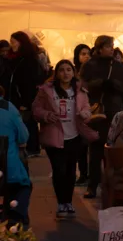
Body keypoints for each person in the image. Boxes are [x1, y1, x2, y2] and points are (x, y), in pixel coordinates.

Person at [33, 59, 98, 220]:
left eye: (69, 70)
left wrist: (85, 113)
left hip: (74, 136)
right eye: (62, 70)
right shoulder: (46, 90)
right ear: (57, 73)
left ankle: (68, 202)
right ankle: (61, 203)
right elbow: (36, 109)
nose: (65, 73)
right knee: (59, 170)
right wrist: (47, 115)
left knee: (70, 171)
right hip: (54, 136)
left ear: (73, 72)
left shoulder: (80, 90)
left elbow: (86, 107)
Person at [80, 35, 123, 199]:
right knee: (95, 150)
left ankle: (112, 185)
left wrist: (114, 85)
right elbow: (83, 86)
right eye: (109, 46)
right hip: (96, 111)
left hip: (114, 112)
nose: (111, 48)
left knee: (113, 150)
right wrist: (100, 83)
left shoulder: (118, 65)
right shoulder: (89, 65)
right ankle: (93, 185)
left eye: (112, 46)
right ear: (100, 48)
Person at [3, 31, 45, 158]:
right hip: (15, 96)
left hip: (25, 97)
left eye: (14, 42)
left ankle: (33, 147)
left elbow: (30, 82)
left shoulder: (29, 59)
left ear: (21, 42)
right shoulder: (13, 58)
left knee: (28, 122)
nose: (12, 45)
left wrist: (25, 102)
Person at [0, 85, 31, 225]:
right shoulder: (8, 108)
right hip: (7, 169)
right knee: (24, 185)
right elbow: (23, 136)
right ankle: (15, 217)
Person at [72, 43, 92, 187]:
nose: (86, 56)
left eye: (87, 53)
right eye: (82, 53)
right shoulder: (72, 71)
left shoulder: (92, 70)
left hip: (89, 110)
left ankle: (88, 174)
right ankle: (82, 173)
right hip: (75, 112)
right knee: (79, 146)